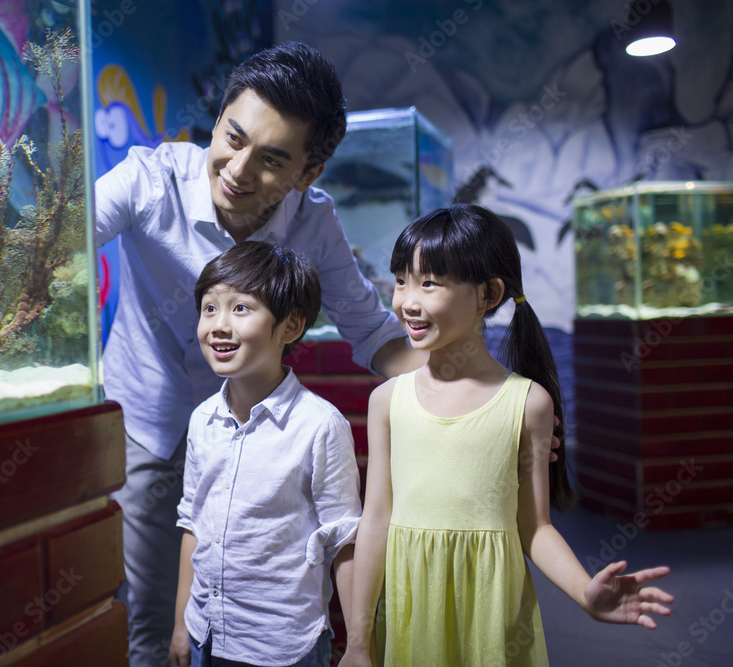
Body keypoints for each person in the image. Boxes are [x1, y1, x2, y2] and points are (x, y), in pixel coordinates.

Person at [95, 42, 422, 665]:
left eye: (272, 160)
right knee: (148, 607)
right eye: (232, 137)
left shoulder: (315, 222)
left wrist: (469, 393)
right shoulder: (150, 176)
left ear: (308, 173)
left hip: (256, 432)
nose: (239, 170)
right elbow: (64, 237)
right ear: (217, 121)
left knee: (251, 604)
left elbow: (371, 330)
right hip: (151, 421)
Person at [339, 204, 674, 667]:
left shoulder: (528, 403)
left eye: (429, 283)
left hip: (492, 613)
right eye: (401, 280)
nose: (407, 301)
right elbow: (375, 520)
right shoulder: (388, 401)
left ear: (488, 293)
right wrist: (358, 643)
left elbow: (534, 527)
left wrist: (584, 592)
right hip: (409, 607)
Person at [169, 241, 361, 667]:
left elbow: (344, 541)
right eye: (209, 308)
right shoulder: (202, 419)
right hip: (206, 634)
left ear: (291, 326)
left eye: (240, 309)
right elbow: (193, 525)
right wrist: (182, 624)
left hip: (281, 645)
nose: (218, 325)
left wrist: (361, 647)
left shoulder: (319, 425)